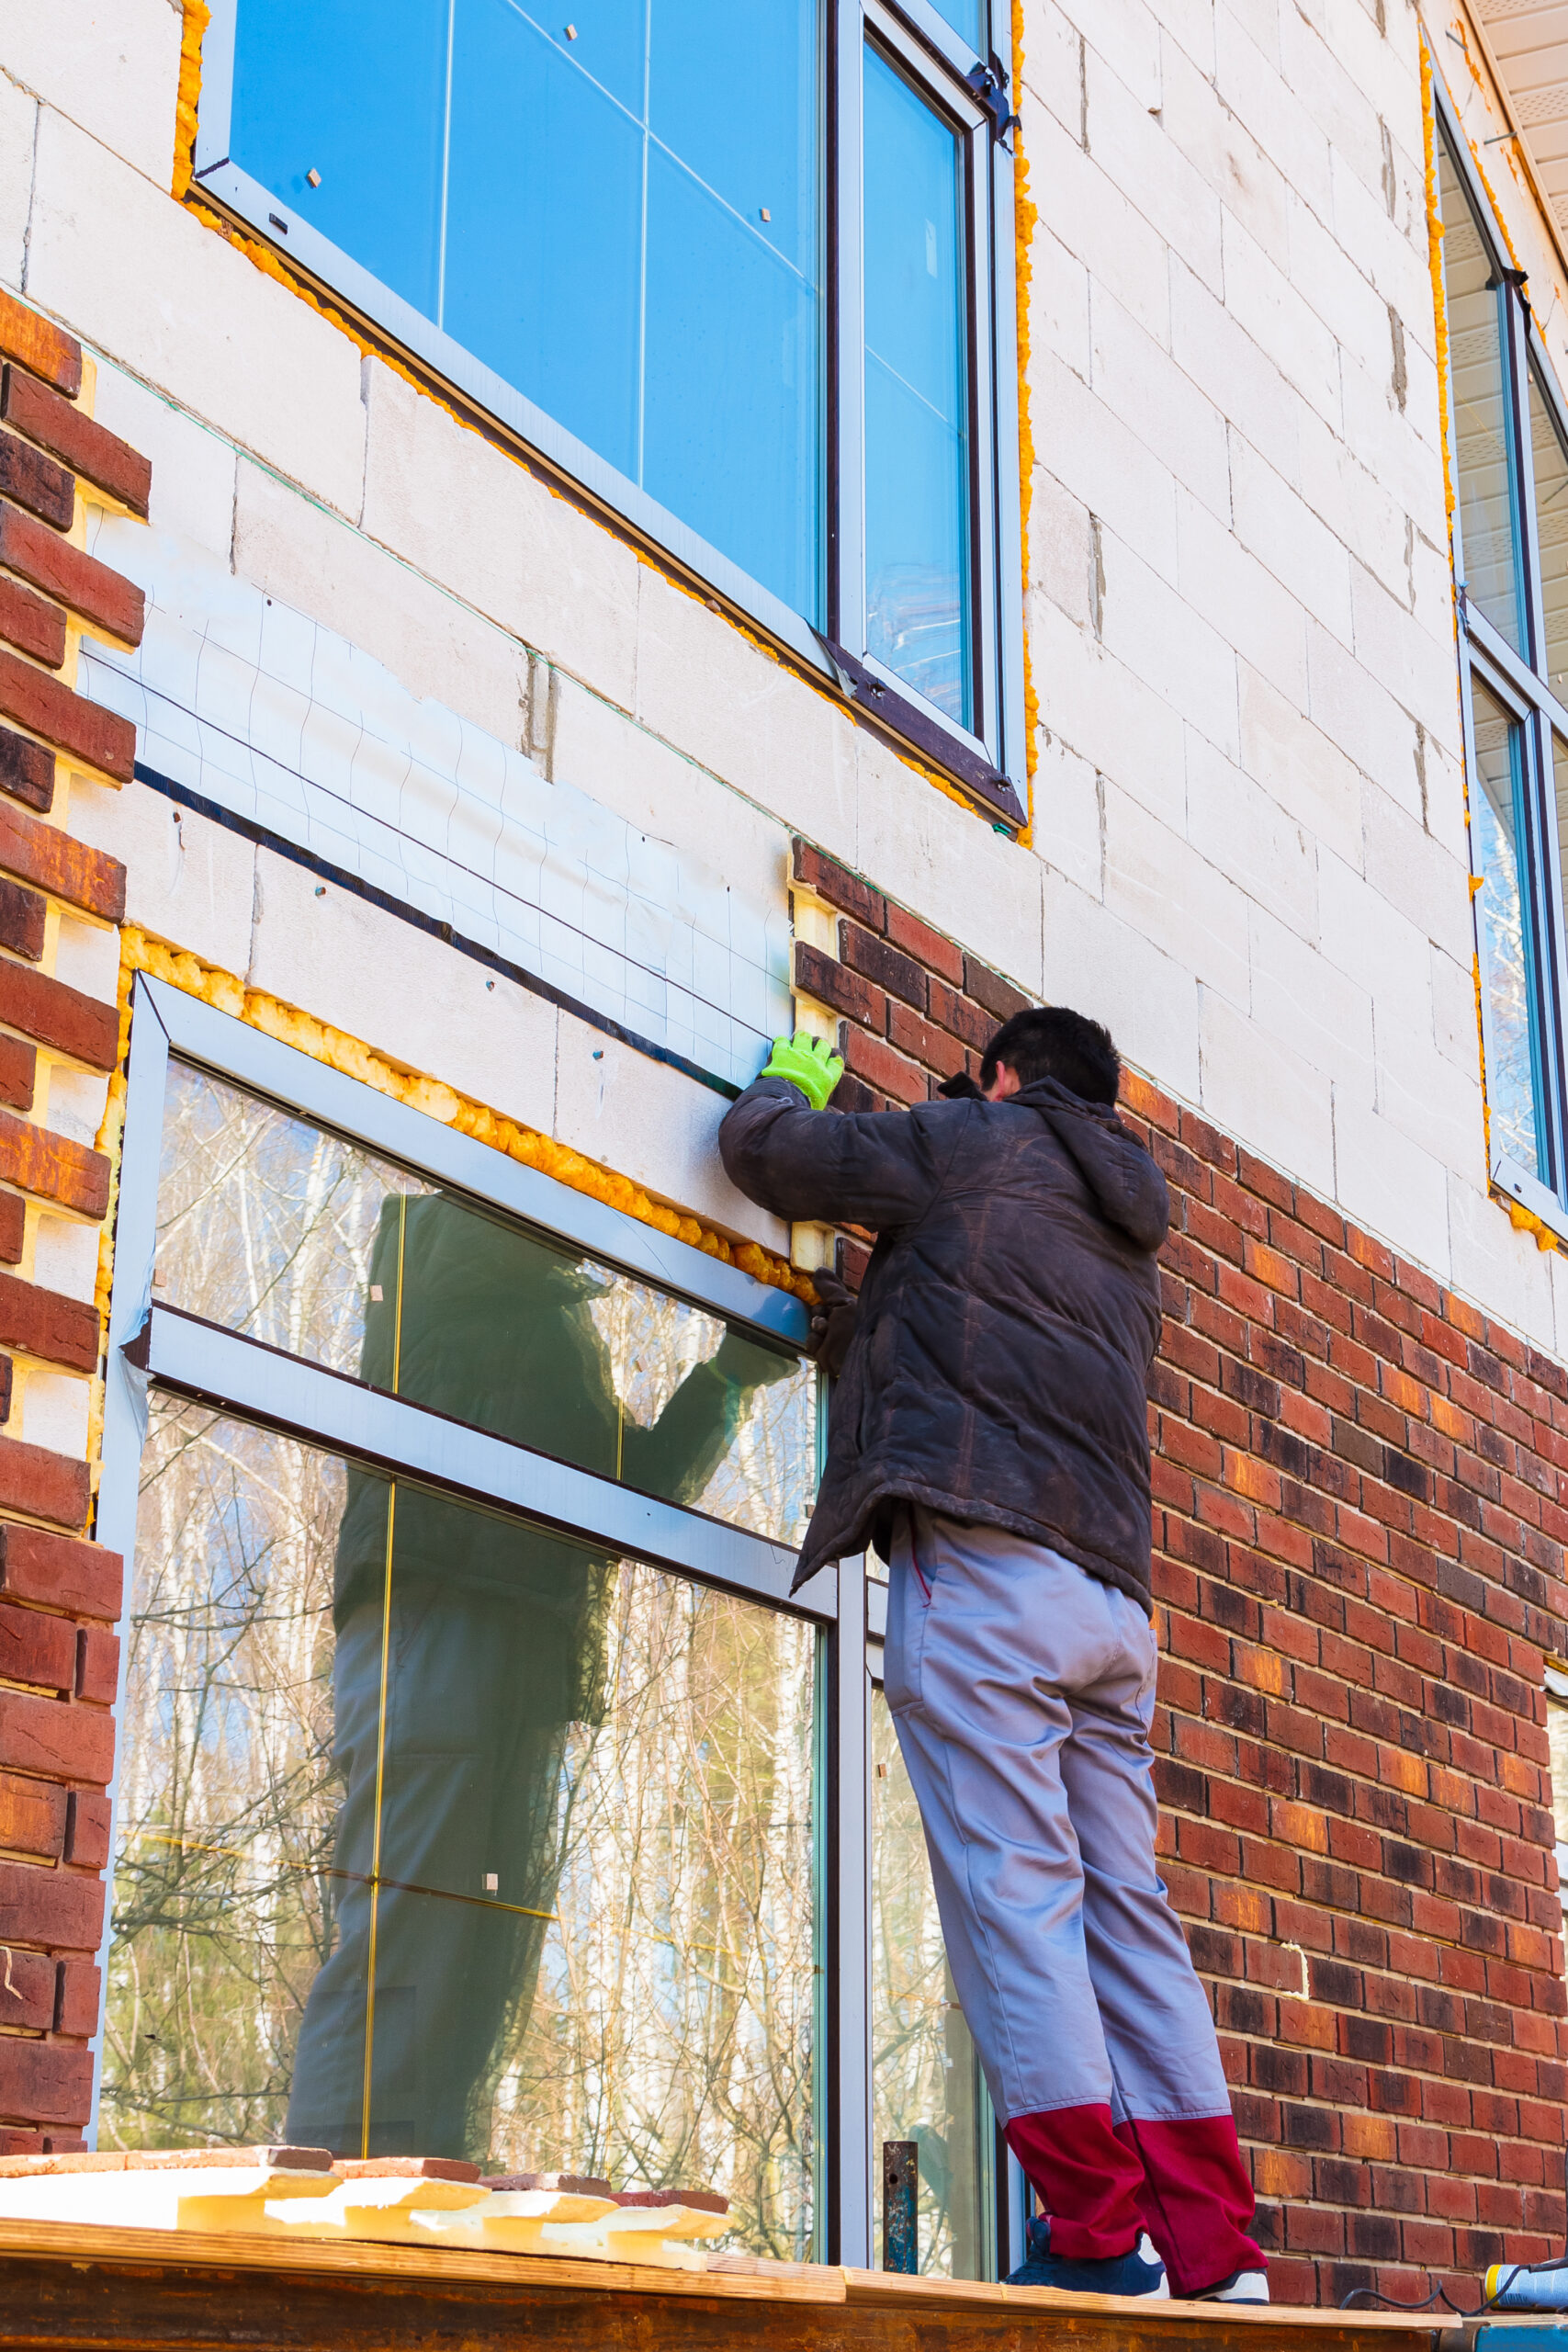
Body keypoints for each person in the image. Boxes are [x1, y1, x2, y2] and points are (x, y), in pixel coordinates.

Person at [718, 1009, 1265, 2304]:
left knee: (1015, 1900)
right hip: (1111, 1610)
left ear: (1006, 1077)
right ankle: (1217, 2255)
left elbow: (777, 1160)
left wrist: (775, 1089)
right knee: (1128, 1920)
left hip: (986, 1576)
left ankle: (1091, 2235)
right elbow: (982, 1331)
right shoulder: (1123, 1237)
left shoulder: (973, 1138)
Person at [287, 1188, 792, 2160]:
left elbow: (622, 1486)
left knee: (463, 1965)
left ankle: (406, 2212)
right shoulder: (451, 1246)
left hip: (498, 1631)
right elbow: (545, 1143)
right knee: (407, 1941)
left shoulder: (538, 1317)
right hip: (439, 1615)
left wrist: (726, 1378)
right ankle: (319, 2234)